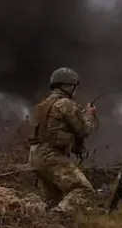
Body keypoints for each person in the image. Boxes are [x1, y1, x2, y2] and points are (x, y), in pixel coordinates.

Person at [28, 67, 97, 216]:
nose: (75, 90)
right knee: (84, 190)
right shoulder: (65, 104)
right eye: (74, 86)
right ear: (68, 85)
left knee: (53, 201)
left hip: (36, 157)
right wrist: (90, 115)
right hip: (51, 156)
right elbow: (84, 130)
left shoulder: (43, 105)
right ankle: (58, 219)